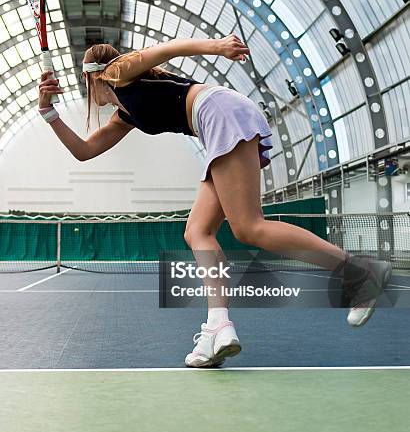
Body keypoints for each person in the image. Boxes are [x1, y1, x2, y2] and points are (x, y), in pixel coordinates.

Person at [38, 34, 392, 367]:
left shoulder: (118, 72)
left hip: (218, 113)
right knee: (197, 232)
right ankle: (218, 327)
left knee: (249, 228)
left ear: (92, 76)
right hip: (215, 123)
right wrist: (47, 111)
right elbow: (85, 151)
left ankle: (358, 272)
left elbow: (169, 48)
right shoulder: (124, 114)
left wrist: (218, 47)